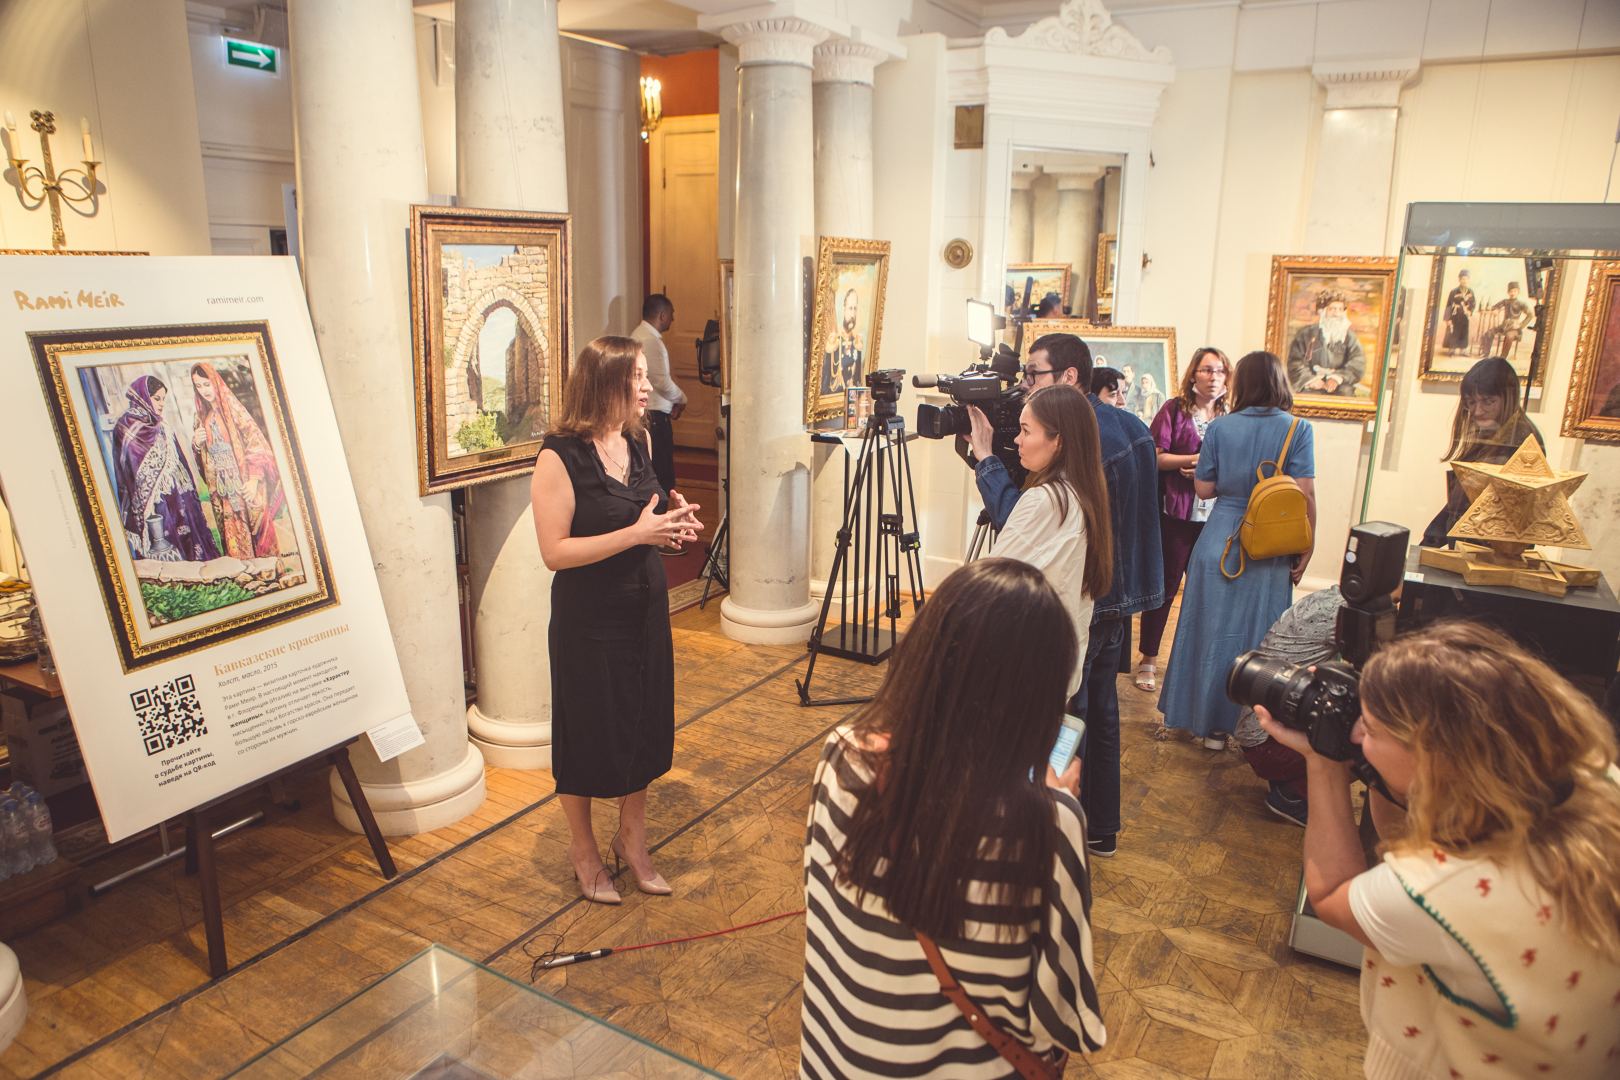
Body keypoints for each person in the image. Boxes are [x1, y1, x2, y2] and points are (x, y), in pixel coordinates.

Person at [1256, 621, 1620, 1079]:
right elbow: (1406, 840)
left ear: (1431, 758)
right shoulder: (1592, 780)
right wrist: (1379, 769)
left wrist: (1324, 762)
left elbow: (1332, 895)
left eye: (1369, 728)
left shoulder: (1437, 890)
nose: (1355, 737)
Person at [800, 559, 1105, 1077]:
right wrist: (1055, 801)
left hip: (835, 1060)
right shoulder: (1049, 825)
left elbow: (820, 898)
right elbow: (1065, 1022)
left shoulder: (840, 754)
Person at [972, 332, 1163, 858]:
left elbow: (1006, 559)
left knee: (1049, 736)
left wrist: (988, 460)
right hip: (1101, 608)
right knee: (1089, 718)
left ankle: (1037, 830)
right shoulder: (1121, 445)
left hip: (1053, 635)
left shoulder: (1051, 495)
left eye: (1033, 375)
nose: (1025, 385)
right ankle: (1093, 827)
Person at [531, 336, 703, 905]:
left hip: (645, 610)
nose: (648, 386)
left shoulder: (639, 437)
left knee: (641, 725)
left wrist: (673, 524)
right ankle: (584, 852)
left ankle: (634, 840)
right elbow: (554, 552)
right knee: (587, 735)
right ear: (606, 383)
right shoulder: (559, 455)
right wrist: (636, 534)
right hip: (589, 619)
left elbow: (648, 515)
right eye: (638, 376)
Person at [1158, 351, 1315, 750]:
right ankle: (1253, 731)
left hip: (1221, 539)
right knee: (1262, 637)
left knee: (1208, 634)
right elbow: (1305, 494)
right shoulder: (1299, 429)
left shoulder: (1221, 428)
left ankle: (1209, 730)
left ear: (1241, 383)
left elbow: (1204, 489)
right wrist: (1307, 547)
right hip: (1270, 544)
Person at [983, 384, 1114, 701]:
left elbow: (992, 582)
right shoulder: (1081, 491)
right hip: (1059, 660)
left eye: (1026, 431)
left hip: (1026, 666)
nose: (1017, 440)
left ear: (1059, 441)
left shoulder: (1046, 500)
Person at [1134, 346, 1230, 693]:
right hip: (1176, 514)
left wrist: (1208, 474)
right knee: (1166, 587)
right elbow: (1155, 457)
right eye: (1207, 370)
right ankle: (1148, 658)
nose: (1214, 376)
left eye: (1220, 370)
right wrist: (1194, 460)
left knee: (1209, 593)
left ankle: (1197, 665)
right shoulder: (1173, 409)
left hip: (1216, 518)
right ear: (1193, 375)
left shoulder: (1231, 415)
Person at [1229, 584, 1349, 828]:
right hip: (1266, 743)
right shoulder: (1345, 614)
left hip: (1259, 730)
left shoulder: (1329, 597)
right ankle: (1294, 795)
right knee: (1364, 743)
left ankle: (1289, 785)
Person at [1419, 356, 1543, 548]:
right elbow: (1461, 500)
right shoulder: (1493, 433)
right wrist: (1429, 543)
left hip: (1490, 555)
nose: (1477, 411)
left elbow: (1501, 513)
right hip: (1471, 551)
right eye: (1471, 402)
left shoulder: (1520, 440)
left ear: (1508, 398)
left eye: (1488, 401)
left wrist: (1430, 542)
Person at [111, 375, 220, 563]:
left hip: (178, 492)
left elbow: (178, 460)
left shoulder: (162, 425)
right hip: (155, 500)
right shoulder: (125, 427)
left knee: (192, 535)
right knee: (166, 535)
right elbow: (130, 468)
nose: (162, 404)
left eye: (164, 400)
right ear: (143, 396)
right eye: (157, 398)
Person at [189, 362, 286, 560]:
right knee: (231, 532)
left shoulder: (233, 409)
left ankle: (268, 576)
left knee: (256, 530)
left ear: (215, 381)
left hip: (244, 482)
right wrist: (197, 445)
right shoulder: (201, 417)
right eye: (198, 386)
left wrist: (254, 479)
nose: (204, 391)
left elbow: (255, 441)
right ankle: (245, 578)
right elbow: (205, 459)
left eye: (207, 384)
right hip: (222, 489)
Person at [629, 294, 686, 514]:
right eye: (671, 315)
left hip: (648, 414)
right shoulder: (650, 341)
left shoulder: (638, 335)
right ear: (662, 315)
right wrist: (683, 398)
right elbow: (661, 381)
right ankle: (660, 529)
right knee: (661, 475)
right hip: (654, 417)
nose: (673, 319)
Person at [1288, 290, 1365, 396]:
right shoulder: (1306, 334)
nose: (1337, 314)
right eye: (1332, 309)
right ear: (1322, 311)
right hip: (1311, 383)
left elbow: (1357, 362)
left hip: (1341, 383)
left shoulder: (1350, 337)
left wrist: (1336, 378)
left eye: (1340, 309)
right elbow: (1295, 362)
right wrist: (1311, 380)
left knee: (1346, 396)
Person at [820, 287, 865, 397]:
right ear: (844, 309)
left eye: (855, 309)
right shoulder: (834, 343)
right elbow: (825, 386)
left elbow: (858, 380)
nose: (853, 314)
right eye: (850, 308)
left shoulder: (857, 342)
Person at [1485, 280, 1533, 361]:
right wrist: (1495, 309)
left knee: (1509, 337)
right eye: (1511, 291)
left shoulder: (1521, 303)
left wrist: (1520, 325)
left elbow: (1530, 315)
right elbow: (1495, 306)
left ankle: (1502, 358)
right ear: (1508, 292)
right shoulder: (1505, 301)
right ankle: (1485, 353)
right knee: (1489, 332)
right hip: (1504, 326)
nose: (1512, 293)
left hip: (1514, 328)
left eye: (1515, 291)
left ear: (1518, 292)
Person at [1441, 268, 1476, 355]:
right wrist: (1447, 318)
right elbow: (1449, 305)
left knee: (1464, 331)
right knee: (1454, 332)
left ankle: (1463, 349)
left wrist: (1470, 311)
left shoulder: (1470, 292)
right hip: (1455, 315)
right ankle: (1452, 348)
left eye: (1466, 279)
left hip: (1465, 315)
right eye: (1462, 279)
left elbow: (1473, 303)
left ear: (1469, 280)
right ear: (1459, 279)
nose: (1464, 281)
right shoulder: (1454, 292)